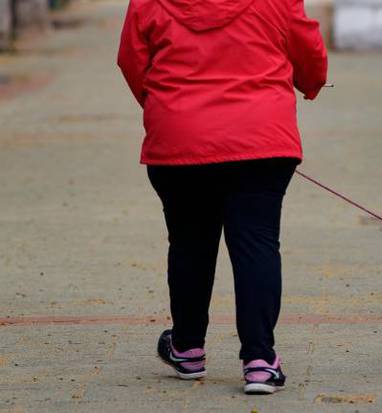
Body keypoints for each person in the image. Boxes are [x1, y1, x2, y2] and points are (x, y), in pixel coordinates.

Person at [117, 0, 327, 395]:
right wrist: (311, 85)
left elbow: (132, 61)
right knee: (257, 245)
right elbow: (309, 54)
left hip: (179, 140)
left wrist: (167, 106)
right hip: (261, 141)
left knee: (189, 245)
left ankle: (187, 348)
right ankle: (261, 362)